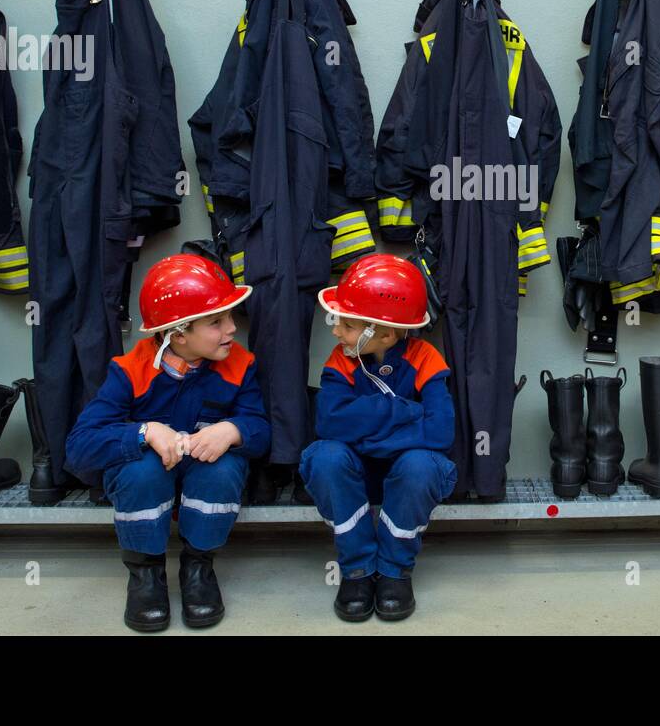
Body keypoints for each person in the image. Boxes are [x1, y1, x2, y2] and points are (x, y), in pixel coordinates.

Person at [65, 253, 270, 632]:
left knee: (223, 468)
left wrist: (233, 431)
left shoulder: (240, 363)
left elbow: (261, 430)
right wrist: (144, 432)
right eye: (216, 322)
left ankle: (198, 569)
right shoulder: (129, 371)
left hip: (202, 472)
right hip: (150, 476)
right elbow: (79, 447)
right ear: (178, 333)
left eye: (229, 316)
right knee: (141, 472)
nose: (231, 329)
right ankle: (145, 574)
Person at [300, 254, 456, 622]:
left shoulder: (426, 358)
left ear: (385, 333)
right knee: (325, 456)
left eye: (347, 325)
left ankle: (393, 570)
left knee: (420, 464)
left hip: (406, 479)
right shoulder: (340, 360)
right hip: (358, 475)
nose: (336, 330)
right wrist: (405, 412)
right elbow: (329, 424)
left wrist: (365, 432)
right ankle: (357, 569)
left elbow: (440, 432)